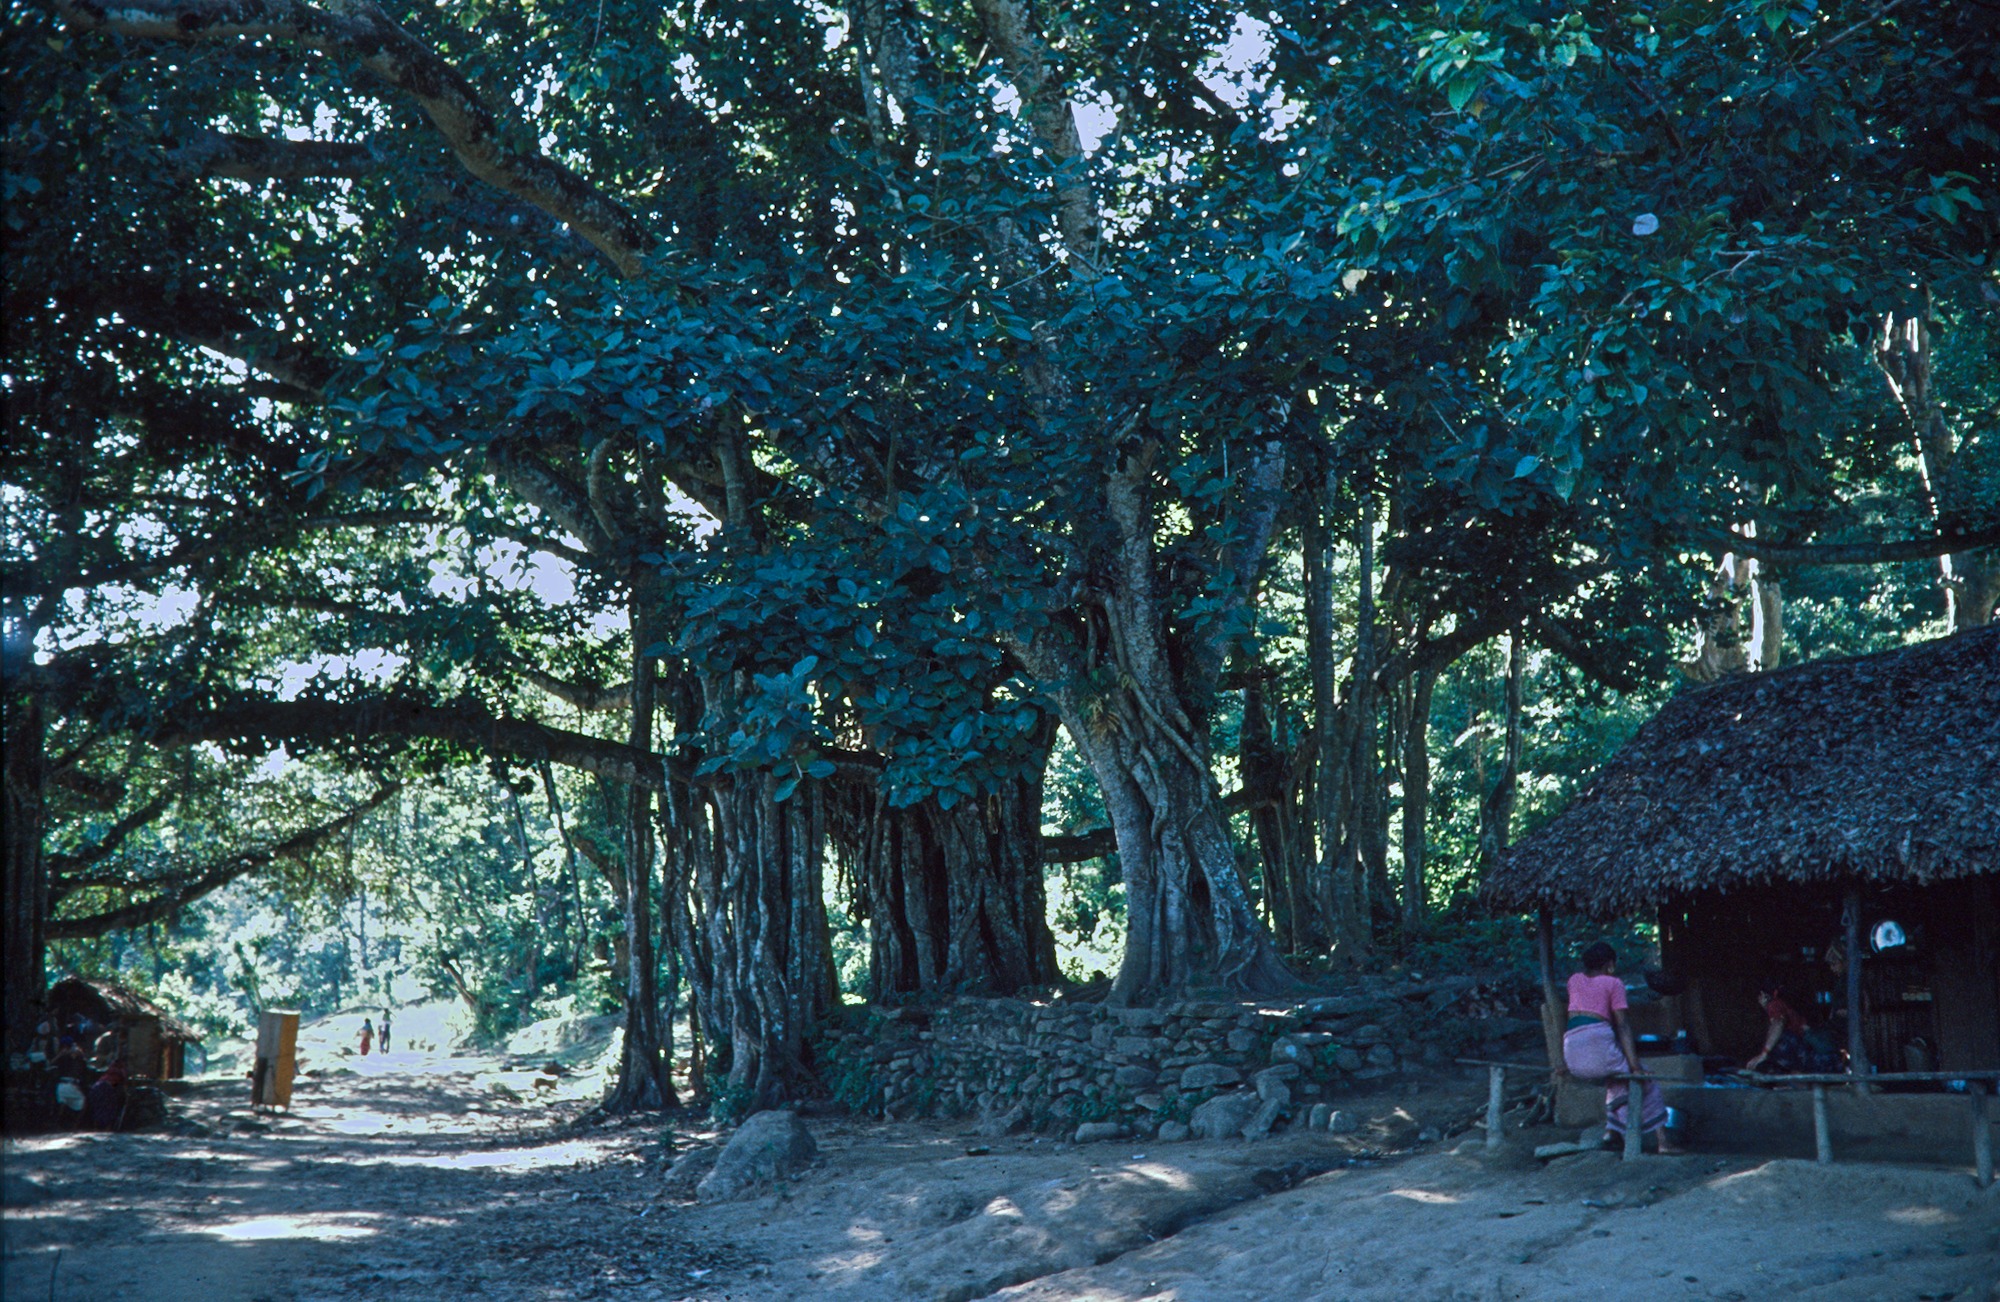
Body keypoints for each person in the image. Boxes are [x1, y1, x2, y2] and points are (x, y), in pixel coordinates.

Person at [1562, 941, 1680, 1153]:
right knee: (1645, 1081)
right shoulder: (1613, 983)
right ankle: (1663, 1142)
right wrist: (1635, 1066)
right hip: (1595, 1043)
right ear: (1610, 965)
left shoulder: (1574, 980)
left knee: (1615, 1080)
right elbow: (1623, 1026)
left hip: (1572, 1052)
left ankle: (1611, 1131)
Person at [1745, 981, 1842, 1074]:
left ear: (1762, 995)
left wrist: (1764, 1053)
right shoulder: (1782, 1005)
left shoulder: (1774, 1004)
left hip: (1819, 1058)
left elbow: (1778, 1024)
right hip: (1816, 1054)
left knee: (1779, 1041)